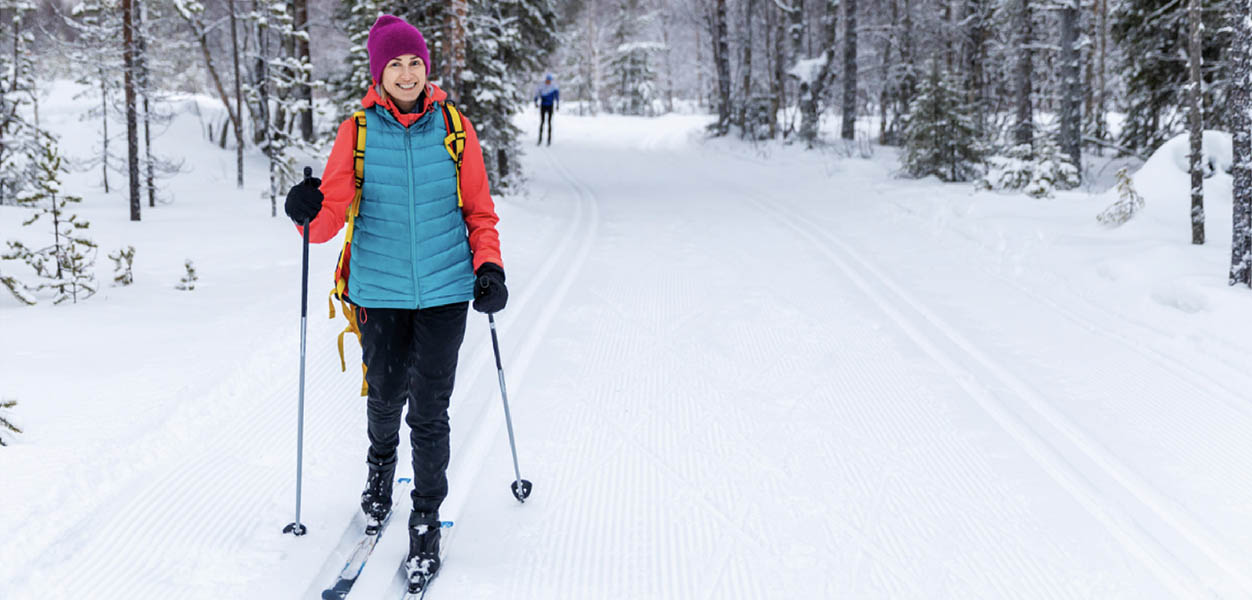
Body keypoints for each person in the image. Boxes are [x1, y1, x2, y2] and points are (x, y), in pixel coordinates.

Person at [281, 14, 507, 591]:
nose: (407, 73)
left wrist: (489, 266)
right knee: (385, 395)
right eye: (395, 65)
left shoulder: (455, 128)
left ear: (425, 68)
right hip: (378, 292)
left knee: (430, 411)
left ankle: (425, 519)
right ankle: (380, 472)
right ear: (378, 74)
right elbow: (329, 217)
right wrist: (306, 212)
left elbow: (479, 211)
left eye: (414, 63)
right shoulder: (356, 132)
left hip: (445, 289)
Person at [533, 73, 559, 146]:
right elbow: (537, 93)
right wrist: (535, 101)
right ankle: (540, 139)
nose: (548, 82)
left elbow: (557, 95)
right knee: (542, 122)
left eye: (549, 81)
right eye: (547, 80)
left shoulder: (553, 86)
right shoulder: (542, 86)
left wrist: (557, 104)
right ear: (546, 80)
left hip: (550, 106)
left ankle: (549, 139)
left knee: (549, 122)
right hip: (543, 105)